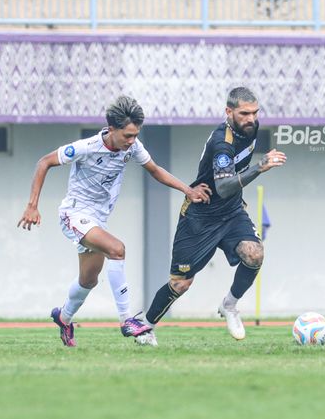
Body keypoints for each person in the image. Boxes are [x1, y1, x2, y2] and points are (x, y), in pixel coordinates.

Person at [17, 96, 211, 347]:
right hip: (74, 214)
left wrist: (188, 190)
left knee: (89, 280)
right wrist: (32, 205)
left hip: (96, 219)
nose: (132, 141)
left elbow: (154, 169)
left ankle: (63, 318)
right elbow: (44, 162)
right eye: (128, 136)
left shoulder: (132, 147)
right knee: (117, 250)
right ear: (111, 130)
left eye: (135, 136)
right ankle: (127, 320)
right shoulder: (86, 147)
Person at [138, 87, 286, 346]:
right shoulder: (222, 142)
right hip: (200, 217)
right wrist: (260, 167)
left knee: (255, 253)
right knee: (181, 284)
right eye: (244, 113)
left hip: (231, 213)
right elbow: (224, 187)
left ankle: (230, 305)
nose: (251, 119)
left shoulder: (250, 128)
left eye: (254, 112)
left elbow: (230, 191)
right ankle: (146, 327)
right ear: (229, 112)